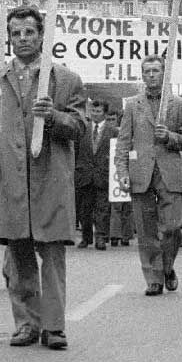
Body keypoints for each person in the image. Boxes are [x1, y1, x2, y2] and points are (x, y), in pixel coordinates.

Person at [0, 5, 86, 348]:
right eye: (16, 33)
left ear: (42, 36)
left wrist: (55, 116)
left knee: (53, 255)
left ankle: (54, 326)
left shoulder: (66, 79)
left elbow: (80, 127)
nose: (23, 39)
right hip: (12, 180)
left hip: (50, 179)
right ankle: (27, 323)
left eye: (29, 32)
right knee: (19, 255)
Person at [118, 56, 182, 295]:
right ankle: (154, 277)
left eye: (155, 71)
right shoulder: (132, 104)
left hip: (168, 173)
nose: (151, 75)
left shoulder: (178, 104)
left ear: (164, 74)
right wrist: (121, 172)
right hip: (141, 173)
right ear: (142, 75)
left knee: (173, 227)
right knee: (145, 229)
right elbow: (123, 142)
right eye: (147, 71)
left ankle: (167, 266)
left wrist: (169, 137)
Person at [73, 95, 113, 249]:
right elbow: (75, 151)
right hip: (84, 175)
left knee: (102, 209)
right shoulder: (82, 129)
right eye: (93, 110)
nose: (95, 113)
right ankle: (86, 237)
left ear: (105, 113)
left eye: (98, 111)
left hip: (104, 175)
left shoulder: (113, 131)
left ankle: (101, 237)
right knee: (85, 209)